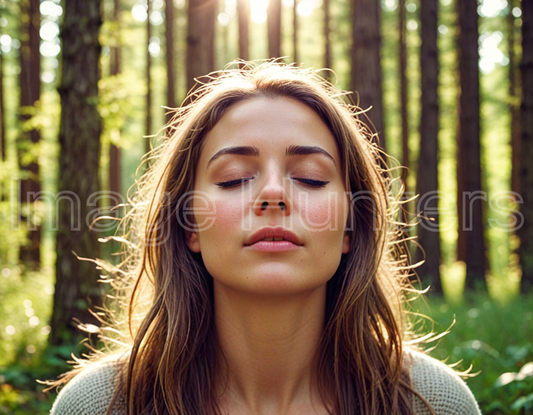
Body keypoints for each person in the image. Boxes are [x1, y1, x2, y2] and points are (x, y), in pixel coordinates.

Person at [48, 61, 481, 415]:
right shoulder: (99, 406)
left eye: (310, 179)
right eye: (234, 179)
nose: (273, 194)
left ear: (351, 227)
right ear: (189, 225)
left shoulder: (435, 403)